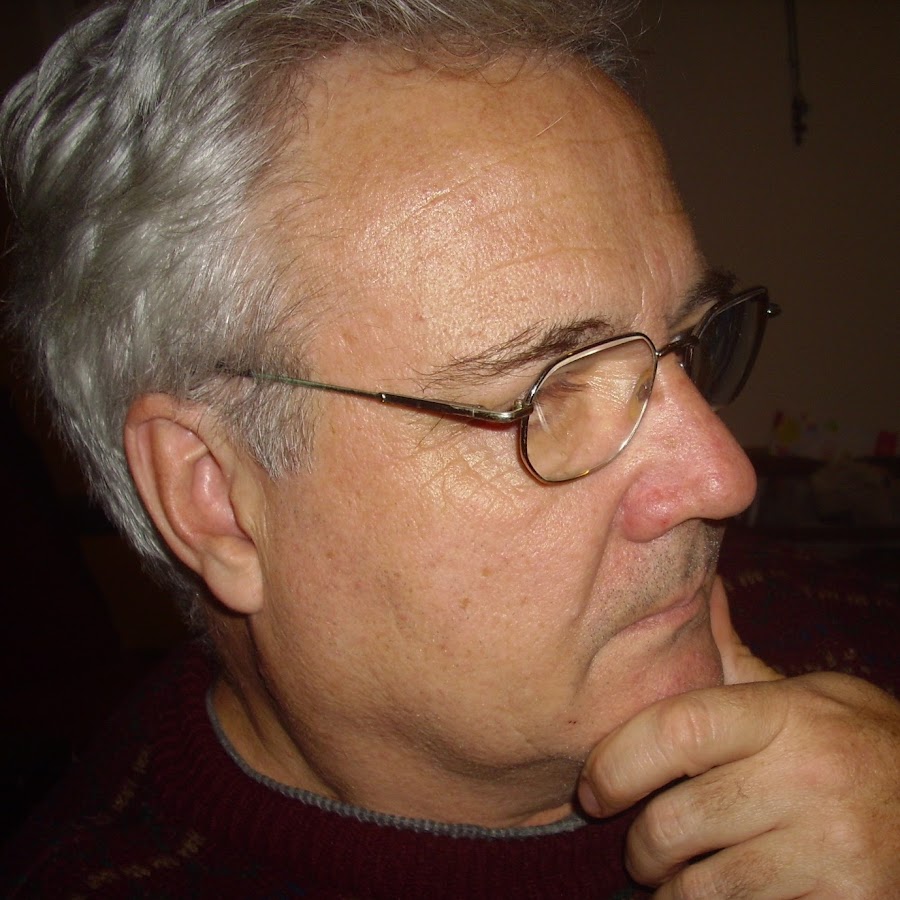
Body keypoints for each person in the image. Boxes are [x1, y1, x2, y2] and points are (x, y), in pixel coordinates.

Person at [1, 0, 897, 896]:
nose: (724, 479)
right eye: (548, 396)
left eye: (689, 341)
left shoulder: (860, 653)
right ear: (219, 502)